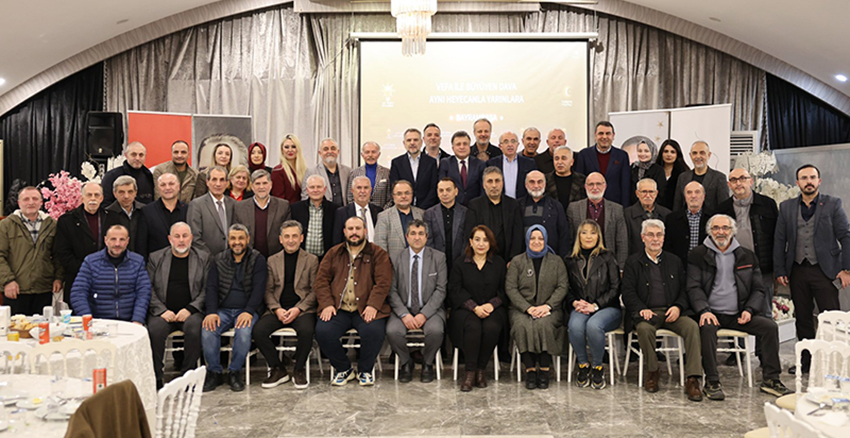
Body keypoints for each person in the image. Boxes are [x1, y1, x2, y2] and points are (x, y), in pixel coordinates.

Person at [688, 214, 793, 400]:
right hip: (711, 314)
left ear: (732, 231)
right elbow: (693, 287)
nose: (721, 232)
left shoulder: (747, 256)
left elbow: (758, 289)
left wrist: (749, 310)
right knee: (706, 328)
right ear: (709, 231)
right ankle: (712, 382)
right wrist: (704, 310)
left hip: (739, 314)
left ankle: (771, 379)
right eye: (716, 228)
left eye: (725, 228)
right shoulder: (698, 254)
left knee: (769, 327)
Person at [774, 164, 850, 374]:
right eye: (804, 178)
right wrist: (780, 269)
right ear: (797, 182)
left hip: (825, 270)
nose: (809, 181)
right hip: (797, 269)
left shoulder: (833, 204)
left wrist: (847, 269)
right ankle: (806, 361)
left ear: (819, 181)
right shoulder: (787, 207)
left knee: (831, 318)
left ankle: (833, 363)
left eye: (812, 177)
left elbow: (846, 236)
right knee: (803, 318)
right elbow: (779, 240)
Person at [621, 219, 703, 401]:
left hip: (671, 312)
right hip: (647, 313)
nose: (655, 239)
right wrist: (641, 309)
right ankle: (653, 371)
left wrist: (678, 307)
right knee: (644, 329)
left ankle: (693, 379)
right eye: (650, 235)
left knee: (692, 327)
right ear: (643, 237)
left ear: (664, 238)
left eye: (659, 235)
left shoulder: (674, 261)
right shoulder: (633, 262)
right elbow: (627, 292)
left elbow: (685, 290)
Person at [315, 216, 392, 387]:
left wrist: (373, 305)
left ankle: (365, 370)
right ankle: (344, 369)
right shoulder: (333, 253)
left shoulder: (378, 253)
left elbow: (383, 282)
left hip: (365, 308)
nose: (354, 232)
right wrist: (327, 304)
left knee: (373, 331)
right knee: (323, 331)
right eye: (350, 229)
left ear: (365, 231)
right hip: (338, 308)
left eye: (358, 228)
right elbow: (321, 281)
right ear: (345, 232)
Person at [252, 220, 319, 390]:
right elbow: (267, 290)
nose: (291, 240)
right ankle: (278, 369)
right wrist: (276, 309)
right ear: (280, 239)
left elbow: (315, 291)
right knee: (258, 331)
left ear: (301, 238)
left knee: (307, 331)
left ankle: (299, 369)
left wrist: (298, 309)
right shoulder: (271, 260)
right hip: (278, 308)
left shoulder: (311, 260)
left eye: (295, 236)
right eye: (287, 236)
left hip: (302, 309)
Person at [201, 224, 268, 392]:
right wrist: (211, 312)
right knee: (208, 330)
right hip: (222, 310)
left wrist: (249, 311)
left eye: (240, 238)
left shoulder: (258, 259)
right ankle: (214, 372)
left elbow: (259, 289)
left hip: (247, 310)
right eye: (233, 238)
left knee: (243, 332)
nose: (237, 242)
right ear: (228, 241)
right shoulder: (218, 259)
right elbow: (211, 287)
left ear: (248, 239)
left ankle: (235, 372)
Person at [146, 222, 209, 389]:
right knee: (155, 331)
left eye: (185, 236)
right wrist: (162, 310)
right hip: (163, 312)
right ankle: (157, 378)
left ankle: (188, 376)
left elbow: (207, 289)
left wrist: (190, 309)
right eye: (177, 236)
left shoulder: (203, 258)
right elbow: (147, 288)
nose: (181, 240)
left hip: (192, 311)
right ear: (170, 239)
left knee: (194, 329)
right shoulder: (156, 258)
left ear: (191, 238)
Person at [506, 225, 568, 390]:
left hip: (550, 309)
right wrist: (527, 308)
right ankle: (531, 370)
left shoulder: (557, 261)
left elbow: (562, 286)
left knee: (544, 324)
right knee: (522, 325)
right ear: (527, 240)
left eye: (540, 238)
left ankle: (545, 370)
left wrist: (548, 306)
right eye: (532, 238)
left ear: (546, 240)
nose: (536, 241)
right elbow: (511, 288)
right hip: (521, 309)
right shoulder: (517, 261)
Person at [386, 219, 447, 383]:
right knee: (392, 331)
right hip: (403, 310)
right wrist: (404, 314)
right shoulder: (395, 258)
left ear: (427, 237)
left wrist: (424, 314)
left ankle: (428, 363)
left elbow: (441, 289)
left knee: (435, 331)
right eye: (413, 233)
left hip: (430, 310)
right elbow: (391, 290)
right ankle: (406, 362)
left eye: (421, 234)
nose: (417, 237)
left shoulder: (438, 258)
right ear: (407, 237)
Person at [448, 225, 507, 392]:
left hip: (492, 309)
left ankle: (481, 369)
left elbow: (504, 290)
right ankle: (470, 372)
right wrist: (474, 307)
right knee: (473, 327)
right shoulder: (460, 263)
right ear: (471, 242)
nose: (481, 244)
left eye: (485, 240)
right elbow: (455, 290)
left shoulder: (499, 263)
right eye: (477, 240)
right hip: (466, 309)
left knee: (491, 327)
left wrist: (491, 305)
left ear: (490, 243)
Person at [565, 220, 621, 390]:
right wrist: (574, 302)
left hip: (607, 307)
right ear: (579, 236)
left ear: (598, 236)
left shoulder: (608, 256)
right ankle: (583, 365)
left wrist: (596, 305)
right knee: (575, 326)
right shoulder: (570, 259)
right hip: (581, 307)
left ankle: (597, 367)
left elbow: (615, 288)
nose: (588, 236)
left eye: (593, 232)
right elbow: (566, 288)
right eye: (584, 232)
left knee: (593, 325)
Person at [715, 168, 777, 316]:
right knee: (736, 313)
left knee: (765, 314)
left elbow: (778, 237)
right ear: (729, 185)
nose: (738, 183)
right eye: (734, 180)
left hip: (763, 268)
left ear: (751, 181)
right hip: (732, 269)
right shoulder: (722, 209)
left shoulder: (767, 204)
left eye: (743, 178)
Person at [0, 186, 63, 315]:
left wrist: (58, 278)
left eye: (35, 198)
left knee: (43, 326)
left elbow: (58, 254)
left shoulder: (52, 225)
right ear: (19, 203)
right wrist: (8, 281)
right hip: (15, 289)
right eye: (26, 199)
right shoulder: (6, 225)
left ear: (41, 202)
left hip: (43, 289)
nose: (31, 202)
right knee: (15, 327)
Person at [70, 225, 150, 324]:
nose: (117, 244)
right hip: (98, 322)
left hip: (129, 321)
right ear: (106, 240)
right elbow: (78, 292)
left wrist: (137, 319)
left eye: (122, 239)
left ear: (127, 241)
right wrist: (88, 320)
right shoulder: (91, 262)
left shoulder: (137, 261)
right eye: (113, 239)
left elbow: (144, 292)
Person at [54, 182, 107, 305]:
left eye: (96, 195)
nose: (93, 198)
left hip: (105, 280)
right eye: (89, 195)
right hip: (77, 279)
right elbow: (63, 253)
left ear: (102, 198)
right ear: (82, 198)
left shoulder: (112, 218)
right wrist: (87, 269)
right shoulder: (67, 220)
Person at [566, 173, 628, 269]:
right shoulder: (573, 208)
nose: (595, 188)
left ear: (605, 186)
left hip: (608, 265)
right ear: (585, 187)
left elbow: (622, 242)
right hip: (580, 265)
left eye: (598, 184)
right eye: (591, 184)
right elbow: (569, 239)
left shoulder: (617, 209)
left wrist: (621, 268)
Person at [464, 167, 524, 263]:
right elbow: (470, 233)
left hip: (507, 260)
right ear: (484, 185)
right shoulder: (474, 205)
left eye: (497, 181)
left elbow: (517, 235)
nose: (494, 185)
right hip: (482, 260)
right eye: (490, 181)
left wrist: (513, 260)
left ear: (502, 183)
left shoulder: (513, 205)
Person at [233, 169, 291, 258]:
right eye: (257, 184)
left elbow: (287, 233)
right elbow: (236, 233)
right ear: (252, 186)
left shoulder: (283, 206)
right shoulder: (240, 207)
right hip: (248, 258)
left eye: (264, 183)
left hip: (275, 257)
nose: (261, 187)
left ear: (271, 185)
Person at [574, 122, 631, 206]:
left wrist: (625, 207)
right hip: (589, 204)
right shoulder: (584, 154)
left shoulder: (622, 156)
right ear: (595, 135)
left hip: (614, 205)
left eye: (608, 133)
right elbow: (579, 182)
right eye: (601, 133)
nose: (604, 137)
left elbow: (625, 185)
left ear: (613, 136)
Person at [518, 171, 571, 256]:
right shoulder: (517, 205)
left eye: (539, 182)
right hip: (522, 258)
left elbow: (564, 234)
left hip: (550, 258)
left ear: (545, 184)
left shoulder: (556, 206)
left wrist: (562, 258)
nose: (536, 186)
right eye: (532, 182)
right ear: (526, 185)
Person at [187, 166, 235, 256]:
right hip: (207, 259)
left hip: (231, 259)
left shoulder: (233, 204)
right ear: (207, 182)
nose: (218, 184)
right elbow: (195, 237)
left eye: (222, 180)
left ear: (227, 183)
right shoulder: (197, 205)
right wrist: (210, 258)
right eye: (214, 179)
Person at [424, 178, 468, 275]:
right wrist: (434, 261)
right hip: (436, 263)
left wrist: (462, 260)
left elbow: (466, 239)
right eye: (441, 190)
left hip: (460, 262)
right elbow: (428, 240)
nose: (444, 193)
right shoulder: (429, 213)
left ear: (456, 191)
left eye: (448, 190)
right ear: (437, 192)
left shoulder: (465, 212)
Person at [139, 173, 188, 258]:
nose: (167, 188)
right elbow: (141, 244)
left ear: (178, 186)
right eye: (163, 185)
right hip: (156, 263)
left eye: (171, 184)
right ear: (158, 188)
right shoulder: (147, 211)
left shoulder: (188, 209)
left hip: (184, 261)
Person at [389, 128, 439, 209]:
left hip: (427, 209)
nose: (412, 143)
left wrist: (422, 208)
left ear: (421, 142)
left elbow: (433, 187)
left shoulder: (431, 162)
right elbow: (394, 187)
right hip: (404, 208)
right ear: (404, 143)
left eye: (415, 140)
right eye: (409, 140)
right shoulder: (397, 163)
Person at [673, 141, 728, 212]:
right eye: (694, 153)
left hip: (711, 218)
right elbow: (677, 206)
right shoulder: (683, 177)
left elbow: (723, 207)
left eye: (702, 153)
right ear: (690, 155)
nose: (698, 156)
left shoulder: (719, 178)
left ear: (709, 155)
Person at [291, 175, 337, 260]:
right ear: (307, 190)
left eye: (319, 187)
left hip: (326, 258)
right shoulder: (295, 209)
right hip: (302, 258)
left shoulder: (335, 209)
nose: (315, 190)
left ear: (325, 189)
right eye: (312, 187)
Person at [375, 180, 425, 257]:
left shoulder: (422, 214)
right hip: (394, 263)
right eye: (399, 194)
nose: (403, 196)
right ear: (393, 196)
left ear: (412, 195)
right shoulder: (384, 216)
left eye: (407, 193)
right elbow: (380, 246)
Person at [663, 181, 709, 264]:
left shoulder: (713, 218)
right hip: (679, 265)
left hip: (705, 265)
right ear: (684, 196)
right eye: (689, 192)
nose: (693, 196)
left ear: (704, 196)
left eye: (697, 192)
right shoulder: (672, 219)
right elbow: (668, 247)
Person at [624, 178, 671, 256]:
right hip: (635, 260)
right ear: (637, 193)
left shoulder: (666, 214)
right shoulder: (626, 214)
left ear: (656, 193)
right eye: (644, 192)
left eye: (651, 192)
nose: (648, 195)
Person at [487, 131, 537, 199]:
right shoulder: (492, 163)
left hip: (522, 203)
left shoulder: (529, 163)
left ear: (517, 144)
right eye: (506, 142)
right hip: (499, 203)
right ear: (500, 146)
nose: (510, 145)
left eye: (513, 141)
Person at [439, 130, 485, 206]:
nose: (462, 147)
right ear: (453, 148)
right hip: (452, 206)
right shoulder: (446, 163)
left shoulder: (479, 164)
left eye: (465, 144)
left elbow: (483, 189)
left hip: (475, 207)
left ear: (469, 146)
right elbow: (442, 186)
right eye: (458, 144)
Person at [103, 175, 146, 254]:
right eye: (121, 192)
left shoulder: (145, 211)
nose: (126, 196)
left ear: (136, 192)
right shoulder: (107, 214)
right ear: (115, 193)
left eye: (130, 192)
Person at [302, 138, 351, 207]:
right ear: (320, 153)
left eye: (333, 148)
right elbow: (305, 196)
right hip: (322, 211)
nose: (330, 151)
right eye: (326, 149)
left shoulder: (348, 171)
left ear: (338, 152)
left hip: (343, 211)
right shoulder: (311, 172)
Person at [334, 176, 382, 245]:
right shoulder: (342, 213)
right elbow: (337, 241)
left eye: (366, 188)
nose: (362, 191)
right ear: (352, 191)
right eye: (359, 188)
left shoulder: (379, 211)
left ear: (370, 190)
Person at [347, 141, 391, 209]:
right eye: (367, 152)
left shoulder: (387, 173)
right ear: (362, 155)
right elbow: (350, 197)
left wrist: (383, 212)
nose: (370, 155)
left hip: (382, 212)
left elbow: (390, 198)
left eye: (373, 152)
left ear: (379, 154)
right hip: (360, 212)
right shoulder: (354, 173)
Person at [545, 145, 587, 211]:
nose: (559, 162)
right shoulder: (545, 180)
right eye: (556, 159)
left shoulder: (582, 180)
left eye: (564, 158)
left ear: (572, 162)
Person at [271, 134, 307, 204]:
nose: (290, 150)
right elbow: (279, 200)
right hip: (287, 209)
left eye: (293, 147)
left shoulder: (304, 170)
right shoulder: (278, 171)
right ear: (282, 150)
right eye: (286, 147)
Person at [655, 139, 689, 210]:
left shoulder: (684, 173)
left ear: (677, 154)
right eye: (666, 151)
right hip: (656, 211)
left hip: (677, 211)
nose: (669, 155)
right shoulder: (654, 171)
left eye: (672, 152)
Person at [629, 141, 666, 206]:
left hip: (652, 208)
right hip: (633, 207)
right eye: (640, 151)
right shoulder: (633, 167)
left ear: (652, 152)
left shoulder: (658, 170)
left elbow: (661, 193)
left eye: (646, 151)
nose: (642, 154)